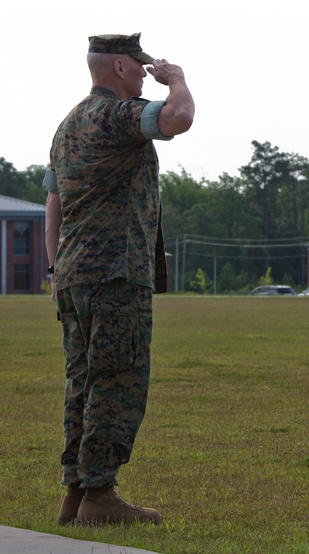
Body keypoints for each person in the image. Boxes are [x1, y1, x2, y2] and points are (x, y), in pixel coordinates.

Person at [43, 32, 194, 525]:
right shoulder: (116, 116)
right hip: (115, 275)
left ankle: (75, 494)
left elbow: (54, 205)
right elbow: (179, 118)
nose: (148, 72)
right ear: (122, 69)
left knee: (82, 382)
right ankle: (101, 496)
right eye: (141, 65)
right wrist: (178, 80)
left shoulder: (66, 126)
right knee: (118, 382)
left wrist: (53, 269)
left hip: (73, 275)